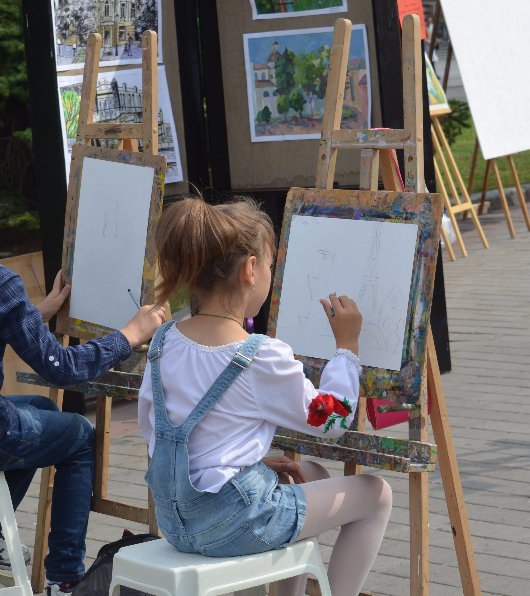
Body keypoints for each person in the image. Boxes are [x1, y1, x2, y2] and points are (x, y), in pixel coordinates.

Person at [0, 147, 168, 595]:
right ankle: (64, 578)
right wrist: (130, 334)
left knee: (41, 408)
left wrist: (34, 314)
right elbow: (63, 369)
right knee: (79, 436)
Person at [137, 196, 392, 596]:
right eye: (271, 266)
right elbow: (332, 419)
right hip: (235, 522)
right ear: (251, 269)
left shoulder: (164, 340)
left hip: (176, 519)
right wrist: (346, 349)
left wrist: (243, 461)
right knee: (377, 494)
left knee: (309, 474)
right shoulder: (259, 356)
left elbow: (156, 430)